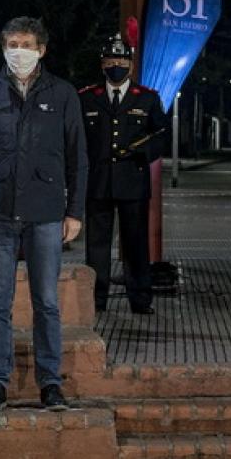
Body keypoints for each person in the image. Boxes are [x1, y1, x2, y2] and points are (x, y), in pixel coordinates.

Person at [0, 16, 87, 411]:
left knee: (46, 301)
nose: (19, 51)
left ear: (41, 50)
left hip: (45, 211)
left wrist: (75, 212)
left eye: (26, 44)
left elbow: (77, 157)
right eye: (12, 44)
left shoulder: (63, 93)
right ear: (3, 48)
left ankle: (50, 383)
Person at [78, 33, 167, 315]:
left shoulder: (148, 98)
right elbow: (77, 140)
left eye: (121, 60)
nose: (115, 65)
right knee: (97, 246)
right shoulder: (87, 97)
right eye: (110, 60)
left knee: (136, 244)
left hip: (133, 180)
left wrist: (141, 152)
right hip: (98, 181)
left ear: (130, 64)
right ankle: (96, 300)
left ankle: (140, 299)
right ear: (102, 64)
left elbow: (161, 135)